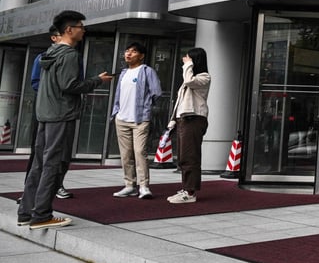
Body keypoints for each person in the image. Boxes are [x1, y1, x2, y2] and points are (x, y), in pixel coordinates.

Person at [17, 11, 113, 229]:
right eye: (80, 26)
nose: (83, 29)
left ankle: (25, 212)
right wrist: (97, 80)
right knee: (55, 164)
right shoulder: (69, 55)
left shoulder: (50, 53)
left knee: (39, 164)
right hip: (61, 115)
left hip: (45, 115)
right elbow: (70, 85)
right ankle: (41, 215)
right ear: (69, 30)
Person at [110, 42, 163, 200]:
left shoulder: (147, 71)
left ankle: (144, 186)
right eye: (127, 51)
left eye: (133, 51)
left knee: (140, 152)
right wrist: (117, 112)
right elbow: (119, 95)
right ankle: (129, 185)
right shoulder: (124, 73)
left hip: (140, 119)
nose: (128, 54)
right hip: (122, 119)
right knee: (126, 155)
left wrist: (146, 107)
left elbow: (156, 92)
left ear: (141, 56)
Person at [166, 48, 211, 204]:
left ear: (195, 60)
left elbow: (189, 81)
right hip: (184, 119)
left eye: (187, 58)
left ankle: (190, 192)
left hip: (194, 119)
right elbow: (180, 102)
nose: (184, 60)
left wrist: (188, 65)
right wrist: (173, 121)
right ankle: (186, 189)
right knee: (183, 156)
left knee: (190, 156)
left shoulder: (204, 77)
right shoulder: (191, 77)